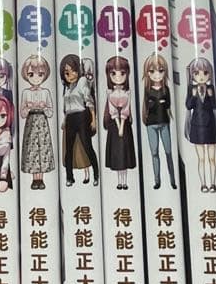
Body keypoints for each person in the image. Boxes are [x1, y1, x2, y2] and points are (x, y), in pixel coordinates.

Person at [60, 54, 99, 187]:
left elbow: (89, 100)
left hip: (82, 116)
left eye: (74, 71)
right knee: (69, 150)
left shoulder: (82, 81)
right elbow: (66, 107)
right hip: (70, 119)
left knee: (87, 146)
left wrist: (93, 119)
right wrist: (64, 120)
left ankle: (96, 175)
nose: (71, 75)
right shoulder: (67, 88)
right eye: (67, 73)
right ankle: (69, 177)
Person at [19, 54, 55, 191]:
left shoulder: (46, 92)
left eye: (40, 74)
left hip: (42, 122)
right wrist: (28, 108)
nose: (35, 78)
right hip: (31, 122)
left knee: (43, 149)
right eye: (31, 74)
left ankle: (41, 178)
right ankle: (35, 179)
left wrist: (44, 107)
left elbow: (50, 112)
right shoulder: (25, 92)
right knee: (32, 149)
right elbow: (22, 114)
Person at [141, 53, 176, 190]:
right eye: (152, 71)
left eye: (161, 71)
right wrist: (156, 103)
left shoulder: (166, 89)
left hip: (164, 122)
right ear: (148, 73)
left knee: (168, 152)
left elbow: (167, 105)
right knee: (154, 153)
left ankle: (172, 180)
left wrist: (158, 103)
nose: (157, 75)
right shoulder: (147, 90)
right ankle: (157, 181)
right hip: (151, 123)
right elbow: (147, 106)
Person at [185, 57, 216, 192]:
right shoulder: (191, 88)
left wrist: (210, 96)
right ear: (192, 75)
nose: (201, 76)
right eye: (196, 73)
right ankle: (203, 184)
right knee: (201, 159)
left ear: (209, 74)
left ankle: (213, 183)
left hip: (210, 125)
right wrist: (194, 96)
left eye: (205, 73)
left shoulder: (211, 88)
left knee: (212, 158)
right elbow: (188, 106)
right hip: (197, 125)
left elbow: (214, 105)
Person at [103, 56, 136, 190]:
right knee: (117, 156)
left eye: (122, 73)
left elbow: (126, 110)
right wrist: (118, 126)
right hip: (114, 126)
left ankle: (125, 181)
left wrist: (122, 126)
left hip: (125, 125)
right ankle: (119, 181)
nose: (118, 77)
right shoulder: (109, 93)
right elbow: (112, 111)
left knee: (124, 155)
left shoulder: (127, 93)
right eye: (113, 73)